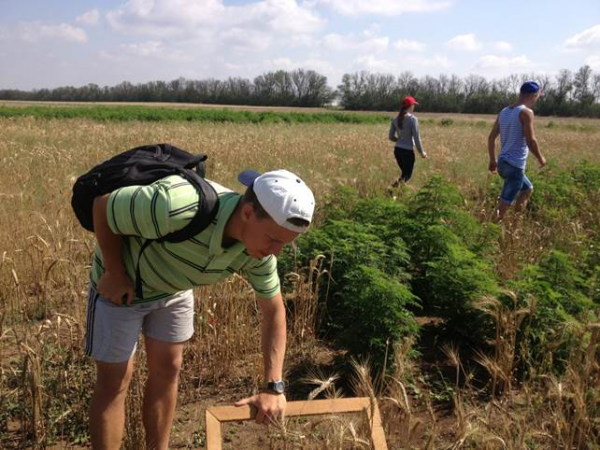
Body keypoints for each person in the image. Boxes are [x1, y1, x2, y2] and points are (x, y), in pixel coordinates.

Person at [85, 168, 315, 449]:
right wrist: (114, 271)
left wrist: (273, 386)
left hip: (173, 289)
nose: (276, 252)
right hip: (122, 288)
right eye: (273, 239)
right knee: (115, 381)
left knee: (168, 370)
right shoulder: (177, 205)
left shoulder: (259, 254)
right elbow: (103, 205)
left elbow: (274, 311)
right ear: (247, 213)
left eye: (284, 243)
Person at [488, 81, 547, 221]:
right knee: (503, 205)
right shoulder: (526, 112)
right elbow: (531, 140)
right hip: (515, 166)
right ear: (533, 95)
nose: (536, 100)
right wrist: (540, 158)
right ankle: (487, 234)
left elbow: (491, 138)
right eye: (537, 96)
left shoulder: (504, 111)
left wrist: (492, 160)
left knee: (527, 189)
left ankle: (515, 223)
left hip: (503, 163)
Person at [388, 95, 428, 189]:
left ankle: (398, 193)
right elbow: (417, 138)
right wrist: (422, 153)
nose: (414, 106)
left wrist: (399, 140)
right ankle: (391, 190)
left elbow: (390, 137)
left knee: (404, 174)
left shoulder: (395, 119)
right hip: (407, 152)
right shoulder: (413, 119)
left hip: (397, 150)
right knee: (407, 175)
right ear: (410, 106)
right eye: (414, 105)